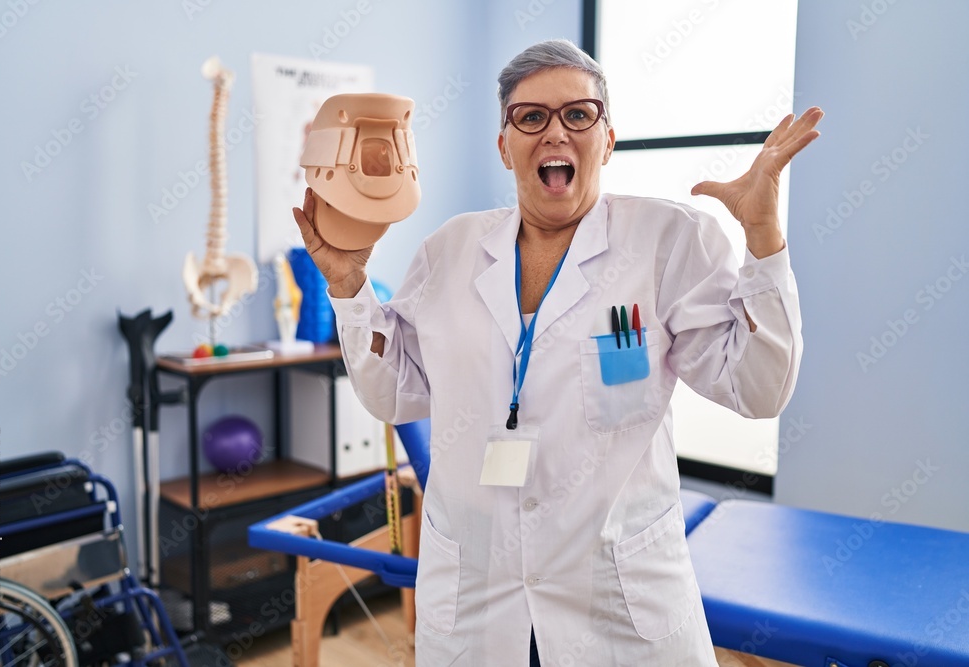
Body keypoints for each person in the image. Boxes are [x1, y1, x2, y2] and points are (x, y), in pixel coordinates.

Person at [293, 39, 822, 667]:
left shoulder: (668, 241)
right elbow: (395, 394)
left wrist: (762, 236)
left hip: (617, 603)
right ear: (503, 144)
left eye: (579, 114)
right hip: (477, 598)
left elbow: (758, 391)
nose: (555, 133)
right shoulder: (449, 250)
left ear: (608, 138)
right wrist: (349, 287)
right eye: (530, 116)